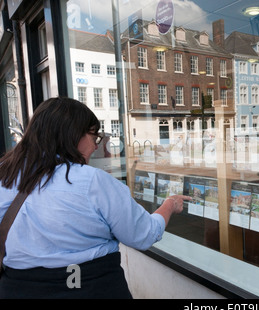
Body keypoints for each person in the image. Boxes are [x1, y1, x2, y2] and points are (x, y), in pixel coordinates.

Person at [0, 97, 191, 299]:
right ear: (73, 135)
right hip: (90, 287)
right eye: (94, 137)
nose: (95, 146)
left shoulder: (6, 174)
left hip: (18, 289)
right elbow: (143, 234)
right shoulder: (91, 181)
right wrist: (170, 205)